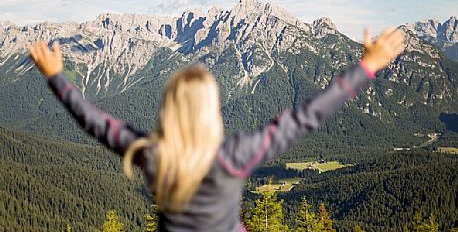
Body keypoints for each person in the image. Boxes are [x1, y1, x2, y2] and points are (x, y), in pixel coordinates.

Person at [29, 28, 404, 232]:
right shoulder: (233, 158)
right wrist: (367, 66)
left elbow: (94, 121)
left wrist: (57, 78)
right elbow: (306, 116)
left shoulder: (150, 154)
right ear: (213, 112)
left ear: (168, 111)